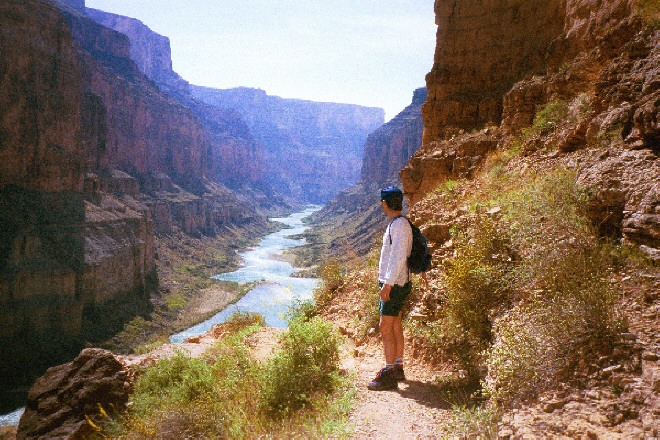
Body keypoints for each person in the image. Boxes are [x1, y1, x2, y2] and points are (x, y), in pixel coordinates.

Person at [368, 186, 413, 390]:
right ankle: (398, 366)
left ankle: (389, 373)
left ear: (385, 203)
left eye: (382, 202)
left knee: (385, 326)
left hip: (394, 284)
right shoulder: (397, 224)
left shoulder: (399, 226)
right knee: (395, 324)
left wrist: (388, 283)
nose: (380, 205)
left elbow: (397, 258)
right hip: (396, 282)